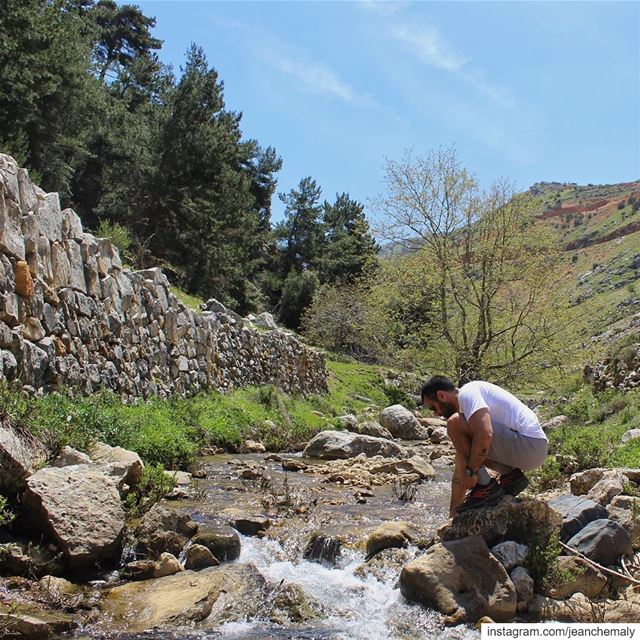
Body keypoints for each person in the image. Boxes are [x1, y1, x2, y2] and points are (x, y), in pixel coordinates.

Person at [420, 376, 548, 516]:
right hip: (531, 448)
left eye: (433, 407)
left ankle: (485, 487)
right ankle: (509, 476)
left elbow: (485, 433)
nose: (436, 414)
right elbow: (463, 459)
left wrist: (472, 472)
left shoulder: (467, 394)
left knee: (454, 424)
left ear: (441, 395)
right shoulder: (467, 402)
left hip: (530, 445)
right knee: (465, 452)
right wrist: (454, 512)